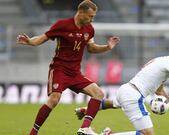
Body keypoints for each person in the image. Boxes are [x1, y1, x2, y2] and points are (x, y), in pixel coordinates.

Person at [16, 0, 120, 135]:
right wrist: (30, 41)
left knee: (98, 93)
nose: (92, 19)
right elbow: (43, 38)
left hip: (75, 73)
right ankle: (33, 133)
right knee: (54, 99)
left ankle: (84, 128)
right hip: (59, 69)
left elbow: (91, 48)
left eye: (93, 17)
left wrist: (107, 47)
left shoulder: (89, 29)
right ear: (81, 12)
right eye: (90, 16)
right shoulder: (62, 25)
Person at [76, 48, 169, 135]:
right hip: (134, 95)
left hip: (126, 89)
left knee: (112, 103)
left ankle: (84, 110)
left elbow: (160, 91)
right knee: (147, 134)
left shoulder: (160, 61)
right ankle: (108, 134)